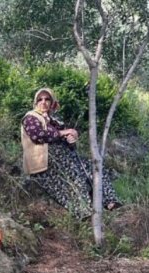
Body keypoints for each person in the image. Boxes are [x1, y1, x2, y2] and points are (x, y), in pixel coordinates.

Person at [21, 88, 122, 218]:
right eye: (40, 99)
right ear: (35, 102)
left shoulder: (53, 121)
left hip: (63, 158)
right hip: (43, 163)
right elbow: (38, 136)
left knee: (96, 168)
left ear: (52, 102)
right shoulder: (31, 117)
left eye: (47, 99)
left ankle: (110, 202)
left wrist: (71, 139)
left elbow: (65, 140)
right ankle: (84, 211)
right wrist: (64, 132)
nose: (43, 102)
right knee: (75, 176)